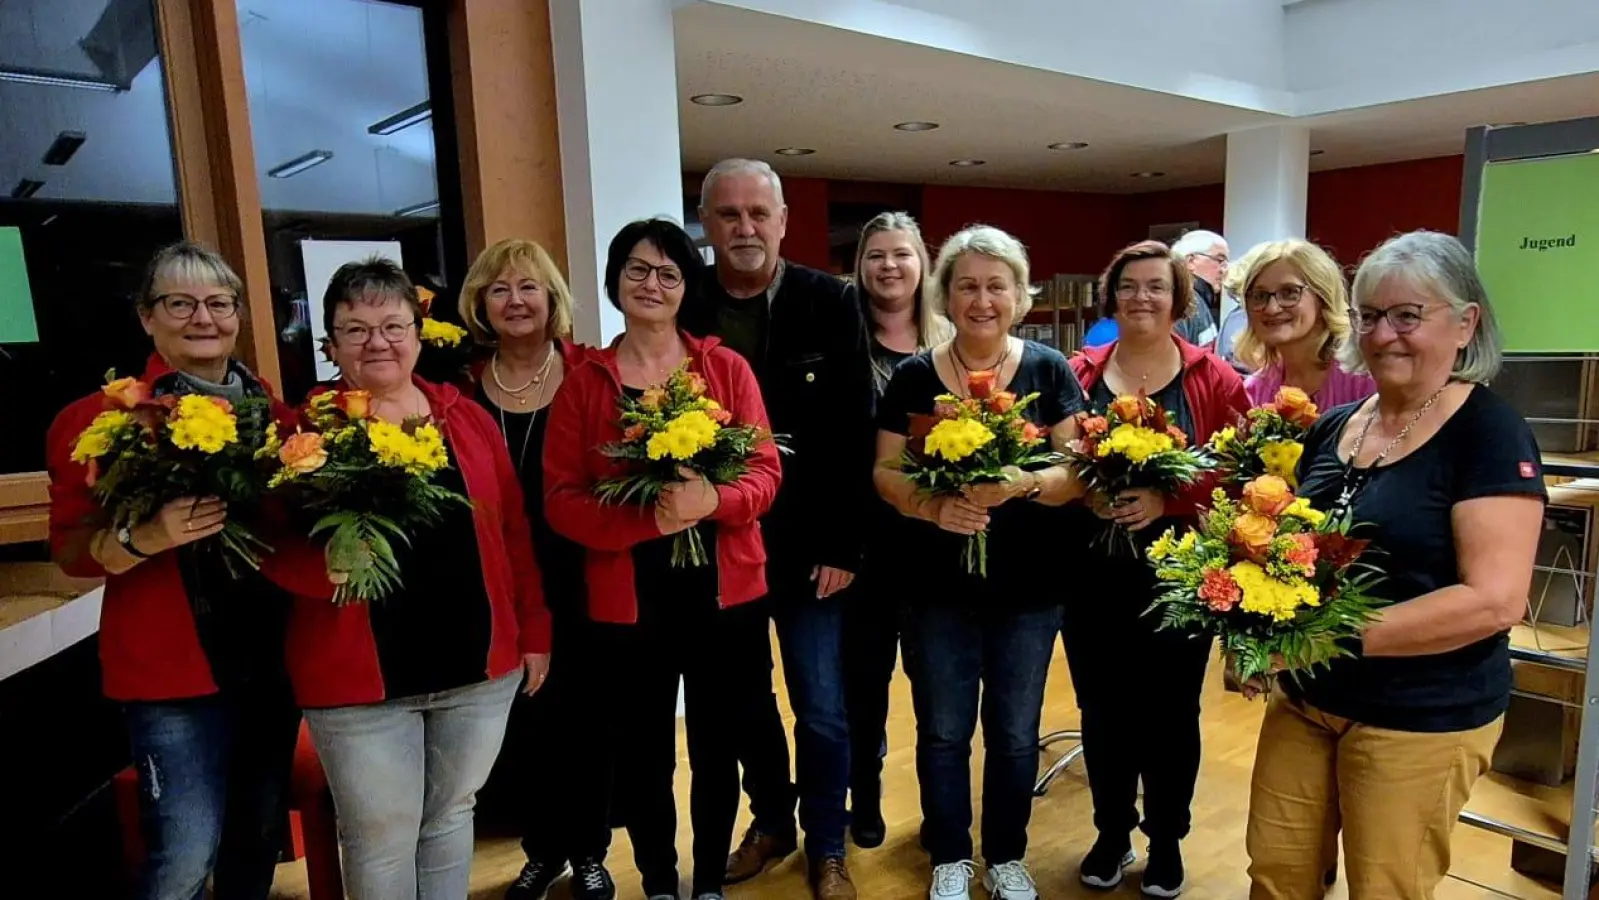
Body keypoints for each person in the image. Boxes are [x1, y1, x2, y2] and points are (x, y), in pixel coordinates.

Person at [1245, 231, 1546, 900]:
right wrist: (1252, 626)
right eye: (1369, 316)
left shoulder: (1488, 433)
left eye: (1407, 315)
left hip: (1421, 713)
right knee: (1275, 875)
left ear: (1465, 323)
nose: (1384, 335)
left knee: (1386, 888)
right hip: (1306, 700)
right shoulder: (1334, 426)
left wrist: (1321, 640)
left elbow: (1493, 601)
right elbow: (1295, 557)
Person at [279, 258, 552, 900]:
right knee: (380, 837)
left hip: (478, 668)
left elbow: (514, 533)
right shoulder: (307, 430)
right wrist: (325, 568)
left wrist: (534, 631)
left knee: (451, 816)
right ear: (331, 344)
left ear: (418, 332)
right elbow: (267, 545)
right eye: (357, 328)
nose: (379, 342)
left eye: (394, 325)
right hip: (359, 682)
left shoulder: (466, 417)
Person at [44, 242, 302, 900]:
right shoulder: (101, 420)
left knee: (256, 841)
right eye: (179, 303)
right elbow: (74, 554)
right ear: (145, 317)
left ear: (239, 315)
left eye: (219, 303)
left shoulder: (268, 413)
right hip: (172, 675)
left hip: (268, 666)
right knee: (184, 855)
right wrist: (147, 537)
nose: (203, 318)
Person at [543, 217, 782, 900]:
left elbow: (764, 474)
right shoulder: (585, 382)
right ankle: (655, 882)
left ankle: (706, 881)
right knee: (642, 751)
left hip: (724, 595)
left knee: (717, 747)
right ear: (615, 281)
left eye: (667, 272)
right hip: (626, 599)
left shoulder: (724, 370)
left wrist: (712, 500)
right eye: (637, 271)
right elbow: (561, 499)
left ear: (686, 287)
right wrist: (645, 516)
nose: (652, 284)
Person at [682, 158, 875, 900]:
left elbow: (855, 431)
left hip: (809, 549)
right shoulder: (685, 301)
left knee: (821, 706)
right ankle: (772, 822)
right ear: (707, 224)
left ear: (784, 220)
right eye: (728, 215)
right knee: (743, 702)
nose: (744, 228)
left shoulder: (830, 301)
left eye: (758, 213)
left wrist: (843, 546)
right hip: (719, 545)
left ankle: (827, 846)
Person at [874, 225, 1086, 900]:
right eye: (966, 285)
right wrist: (931, 509)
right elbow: (884, 470)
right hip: (934, 587)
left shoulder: (1049, 370)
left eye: (996, 285)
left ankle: (1005, 854)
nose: (982, 299)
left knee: (1015, 730)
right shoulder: (912, 376)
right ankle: (949, 855)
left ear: (1020, 297)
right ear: (944, 296)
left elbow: (1077, 468)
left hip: (1029, 589)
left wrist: (1021, 483)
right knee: (941, 731)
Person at [1063, 240, 1249, 898]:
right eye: (1129, 286)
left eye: (1156, 287)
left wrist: (1168, 497)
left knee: (1171, 713)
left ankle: (1166, 839)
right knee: (1102, 710)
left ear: (1178, 299)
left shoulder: (1213, 378)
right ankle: (1111, 831)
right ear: (1110, 295)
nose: (1141, 297)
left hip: (1180, 575)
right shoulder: (1077, 372)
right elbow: (1051, 460)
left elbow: (1238, 470)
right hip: (1091, 575)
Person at [451, 240, 607, 900]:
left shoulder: (589, 374)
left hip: (586, 573)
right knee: (526, 721)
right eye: (499, 289)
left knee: (590, 719)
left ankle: (592, 852)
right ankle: (542, 851)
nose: (514, 300)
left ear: (552, 300)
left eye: (528, 287)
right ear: (480, 305)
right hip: (497, 579)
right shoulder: (457, 389)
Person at [843, 211, 954, 849]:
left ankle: (941, 807)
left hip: (932, 545)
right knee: (863, 682)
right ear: (860, 266)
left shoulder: (949, 345)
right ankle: (867, 791)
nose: (890, 266)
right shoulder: (843, 342)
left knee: (936, 685)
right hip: (863, 546)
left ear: (923, 265)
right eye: (876, 255)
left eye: (903, 255)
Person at [1232, 239, 1375, 408]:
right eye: (1259, 296)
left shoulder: (1363, 378)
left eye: (1289, 292)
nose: (1272, 308)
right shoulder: (1255, 391)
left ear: (1323, 298)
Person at [1169, 230, 1227, 347]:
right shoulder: (1181, 301)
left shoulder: (1199, 300)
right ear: (1191, 261)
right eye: (1220, 260)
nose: (1224, 270)